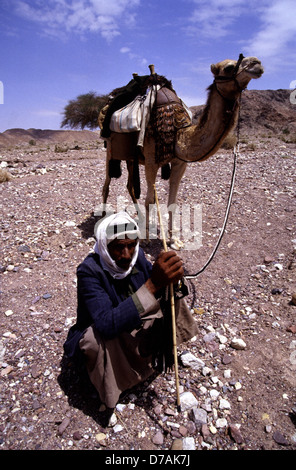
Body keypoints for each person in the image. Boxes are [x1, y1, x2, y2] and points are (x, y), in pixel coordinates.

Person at [63, 212, 198, 409]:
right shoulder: (89, 271)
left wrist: (173, 278)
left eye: (131, 245)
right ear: (105, 245)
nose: (126, 255)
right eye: (118, 247)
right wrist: (153, 284)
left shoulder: (138, 257)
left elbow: (157, 290)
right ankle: (115, 383)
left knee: (170, 292)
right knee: (93, 339)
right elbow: (107, 324)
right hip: (114, 335)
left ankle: (156, 357)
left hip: (133, 325)